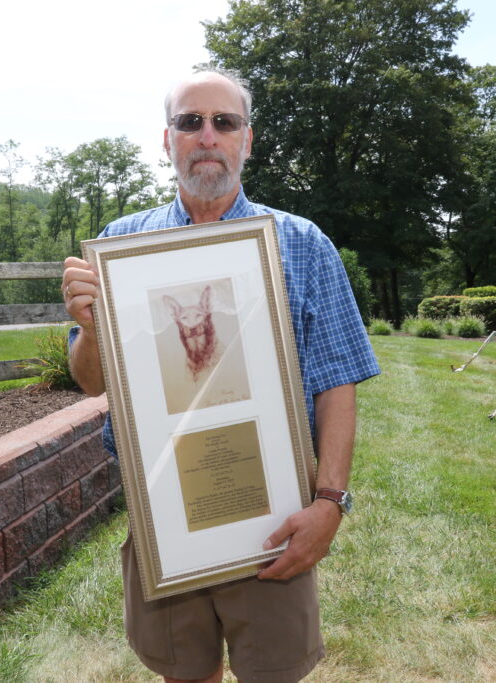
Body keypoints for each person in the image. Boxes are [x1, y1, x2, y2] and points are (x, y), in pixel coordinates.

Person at [61, 68, 380, 683]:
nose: (207, 136)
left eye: (224, 122)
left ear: (247, 140)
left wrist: (330, 502)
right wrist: (92, 326)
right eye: (190, 122)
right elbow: (90, 382)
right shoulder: (120, 247)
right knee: (183, 672)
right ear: (167, 139)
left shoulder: (303, 244)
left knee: (274, 672)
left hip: (270, 514)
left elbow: (337, 378)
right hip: (166, 512)